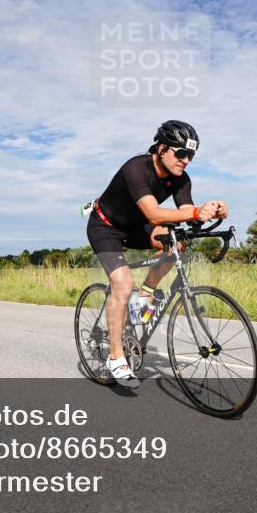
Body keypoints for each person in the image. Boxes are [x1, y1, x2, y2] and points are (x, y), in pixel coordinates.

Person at [86, 120, 228, 388]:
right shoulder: (136, 168)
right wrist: (196, 211)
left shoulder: (181, 179)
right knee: (122, 283)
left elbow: (187, 213)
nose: (186, 160)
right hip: (105, 226)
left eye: (191, 156)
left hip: (136, 227)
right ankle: (116, 358)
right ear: (162, 148)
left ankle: (145, 294)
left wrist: (212, 212)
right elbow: (153, 213)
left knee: (176, 244)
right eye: (181, 153)